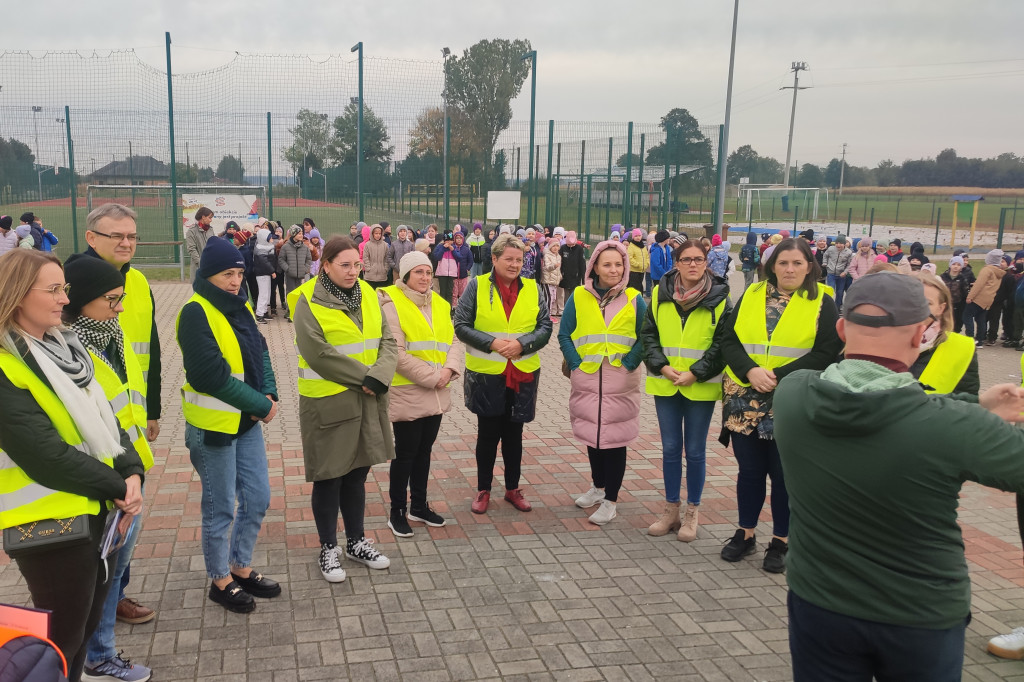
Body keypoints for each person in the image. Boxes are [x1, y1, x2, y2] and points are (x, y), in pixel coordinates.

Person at [773, 271, 1024, 681]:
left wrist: (973, 401)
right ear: (921, 335)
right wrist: (975, 410)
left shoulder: (793, 394)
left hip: (818, 602)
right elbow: (911, 410)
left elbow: (884, 400)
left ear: (841, 328)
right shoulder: (952, 427)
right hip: (919, 614)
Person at [0, 249, 145, 681]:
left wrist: (131, 469)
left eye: (64, 287)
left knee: (80, 633)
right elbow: (45, 456)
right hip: (48, 526)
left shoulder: (65, 350)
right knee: (58, 644)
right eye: (53, 289)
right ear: (17, 296)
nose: (66, 298)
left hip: (94, 513)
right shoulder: (7, 367)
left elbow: (106, 419)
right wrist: (118, 487)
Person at [719, 237, 842, 573]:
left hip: (791, 400)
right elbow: (729, 340)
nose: (789, 269)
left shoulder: (823, 301)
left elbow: (827, 352)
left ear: (809, 267)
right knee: (750, 473)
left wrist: (776, 374)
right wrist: (751, 371)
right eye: (783, 263)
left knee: (784, 476)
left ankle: (781, 541)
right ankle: (745, 534)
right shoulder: (753, 294)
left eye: (797, 263)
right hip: (745, 397)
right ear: (772, 265)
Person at [62, 257, 155, 682]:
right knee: (100, 572)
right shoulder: (67, 350)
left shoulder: (111, 335)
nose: (119, 308)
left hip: (127, 469)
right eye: (111, 300)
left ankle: (98, 651)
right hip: (100, 479)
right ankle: (97, 656)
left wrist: (133, 469)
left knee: (114, 569)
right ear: (82, 302)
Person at [177, 238, 281, 613]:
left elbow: (261, 351)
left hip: (247, 423)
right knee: (220, 508)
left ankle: (240, 565)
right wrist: (260, 406)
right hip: (214, 429)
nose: (236, 281)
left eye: (239, 273)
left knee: (258, 498)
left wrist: (268, 392)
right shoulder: (195, 312)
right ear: (208, 274)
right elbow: (209, 376)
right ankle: (220, 579)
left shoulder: (241, 306)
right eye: (228, 274)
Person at [289, 236, 396, 582]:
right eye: (345, 265)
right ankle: (327, 547)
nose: (353, 272)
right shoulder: (306, 300)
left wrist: (380, 376)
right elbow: (317, 353)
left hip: (368, 397)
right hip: (329, 403)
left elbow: (388, 340)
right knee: (329, 476)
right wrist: (367, 378)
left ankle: (356, 541)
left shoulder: (368, 292)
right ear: (326, 266)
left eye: (357, 264)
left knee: (357, 474)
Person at [77, 203, 163, 628]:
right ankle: (105, 608)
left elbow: (151, 345)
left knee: (128, 519)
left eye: (132, 235)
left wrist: (153, 408)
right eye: (116, 236)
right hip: (97, 430)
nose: (127, 243)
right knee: (112, 524)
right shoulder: (75, 280)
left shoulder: (140, 280)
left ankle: (116, 594)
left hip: (131, 417)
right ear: (92, 238)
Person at [454, 233, 552, 514]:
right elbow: (461, 325)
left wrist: (523, 344)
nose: (514, 265)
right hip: (487, 374)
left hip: (522, 374)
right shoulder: (477, 286)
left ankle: (512, 488)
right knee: (487, 435)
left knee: (514, 435)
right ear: (494, 259)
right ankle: (483, 489)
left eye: (519, 260)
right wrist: (494, 343)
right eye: (508, 259)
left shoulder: (533, 288)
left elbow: (545, 327)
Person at [643, 239, 731, 542]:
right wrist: (663, 367)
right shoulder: (658, 294)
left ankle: (692, 512)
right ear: (676, 263)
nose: (693, 264)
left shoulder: (720, 298)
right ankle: (671, 510)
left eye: (698, 259)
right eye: (686, 259)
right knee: (669, 449)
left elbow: (723, 343)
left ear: (706, 262)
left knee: (694, 451)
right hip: (665, 382)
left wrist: (697, 373)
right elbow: (648, 335)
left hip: (700, 385)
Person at [558, 240, 646, 525]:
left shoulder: (634, 298)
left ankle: (611, 500)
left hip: (621, 382)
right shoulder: (579, 296)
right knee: (592, 436)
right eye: (607, 264)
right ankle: (597, 487)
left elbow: (646, 336)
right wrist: (575, 363)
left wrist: (631, 362)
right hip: (587, 379)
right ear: (594, 265)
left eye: (619, 264)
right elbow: (565, 334)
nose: (613, 269)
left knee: (615, 440)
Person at [378, 251, 462, 538]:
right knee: (405, 455)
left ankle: (419, 505)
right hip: (408, 391)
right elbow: (395, 354)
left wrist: (449, 371)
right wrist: (434, 378)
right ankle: (397, 510)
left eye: (428, 272)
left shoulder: (439, 303)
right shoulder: (391, 303)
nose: (425, 278)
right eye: (419, 273)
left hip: (437, 390)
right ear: (405, 275)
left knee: (424, 452)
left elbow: (452, 341)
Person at [910, 272, 979, 395]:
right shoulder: (879, 339)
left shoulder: (962, 347)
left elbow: (967, 401)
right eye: (910, 300)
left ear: (940, 308)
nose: (917, 307)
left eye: (927, 303)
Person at [963, 248, 1005, 348]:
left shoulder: (987, 270)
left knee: (967, 316)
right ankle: (980, 340)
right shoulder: (999, 272)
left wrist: (970, 296)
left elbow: (979, 284)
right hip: (988, 299)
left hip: (978, 298)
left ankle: (970, 338)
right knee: (981, 319)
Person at [278, 226, 312, 322]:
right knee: (290, 292)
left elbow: (308, 259)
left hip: (300, 274)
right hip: (290, 274)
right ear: (294, 235)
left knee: (298, 293)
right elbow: (281, 259)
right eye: (299, 233)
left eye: (302, 233)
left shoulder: (305, 248)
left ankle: (296, 312)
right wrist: (287, 269)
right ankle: (290, 311)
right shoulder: (286, 247)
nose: (302, 235)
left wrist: (305, 269)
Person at [252, 227, 276, 324]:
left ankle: (264, 311)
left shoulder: (266, 246)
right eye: (270, 238)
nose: (272, 239)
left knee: (267, 293)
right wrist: (272, 271)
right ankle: (259, 314)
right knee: (263, 294)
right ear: (264, 238)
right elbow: (265, 262)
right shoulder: (260, 249)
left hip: (265, 274)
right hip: (262, 274)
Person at [822, 235, 853, 308]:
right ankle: (828, 306)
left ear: (844, 244)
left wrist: (845, 272)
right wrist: (825, 263)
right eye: (837, 243)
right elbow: (825, 255)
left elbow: (849, 264)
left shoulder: (848, 252)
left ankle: (837, 306)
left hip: (841, 274)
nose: (838, 245)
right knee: (830, 289)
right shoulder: (831, 249)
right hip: (831, 273)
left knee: (839, 292)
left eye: (840, 243)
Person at [186, 207, 215, 279]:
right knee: (199, 290)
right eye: (209, 218)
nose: (211, 220)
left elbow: (214, 246)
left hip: (211, 267)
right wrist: (201, 264)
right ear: (203, 217)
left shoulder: (210, 230)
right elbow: (191, 249)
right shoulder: (191, 231)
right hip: (199, 268)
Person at [433, 231, 460, 304]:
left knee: (449, 292)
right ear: (444, 240)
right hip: (442, 273)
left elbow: (459, 257)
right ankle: (442, 308)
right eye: (447, 240)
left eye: (450, 240)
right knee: (443, 291)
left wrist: (453, 250)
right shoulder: (440, 246)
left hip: (451, 273)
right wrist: (443, 249)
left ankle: (449, 309)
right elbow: (437, 257)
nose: (448, 242)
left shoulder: (454, 247)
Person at [451, 231, 474, 306]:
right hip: (454, 276)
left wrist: (467, 269)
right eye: (457, 238)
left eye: (460, 238)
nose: (458, 240)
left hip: (463, 275)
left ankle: (461, 307)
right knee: (454, 293)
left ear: (463, 239)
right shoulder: (452, 248)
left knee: (462, 293)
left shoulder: (466, 250)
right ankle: (453, 307)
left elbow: (470, 261)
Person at [541, 240, 563, 317]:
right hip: (548, 280)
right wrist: (554, 266)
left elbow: (558, 269)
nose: (555, 248)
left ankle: (549, 315)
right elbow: (547, 267)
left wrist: (559, 276)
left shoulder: (558, 256)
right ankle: (546, 316)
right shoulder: (547, 255)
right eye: (553, 246)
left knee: (553, 299)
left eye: (557, 246)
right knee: (548, 299)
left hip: (555, 281)